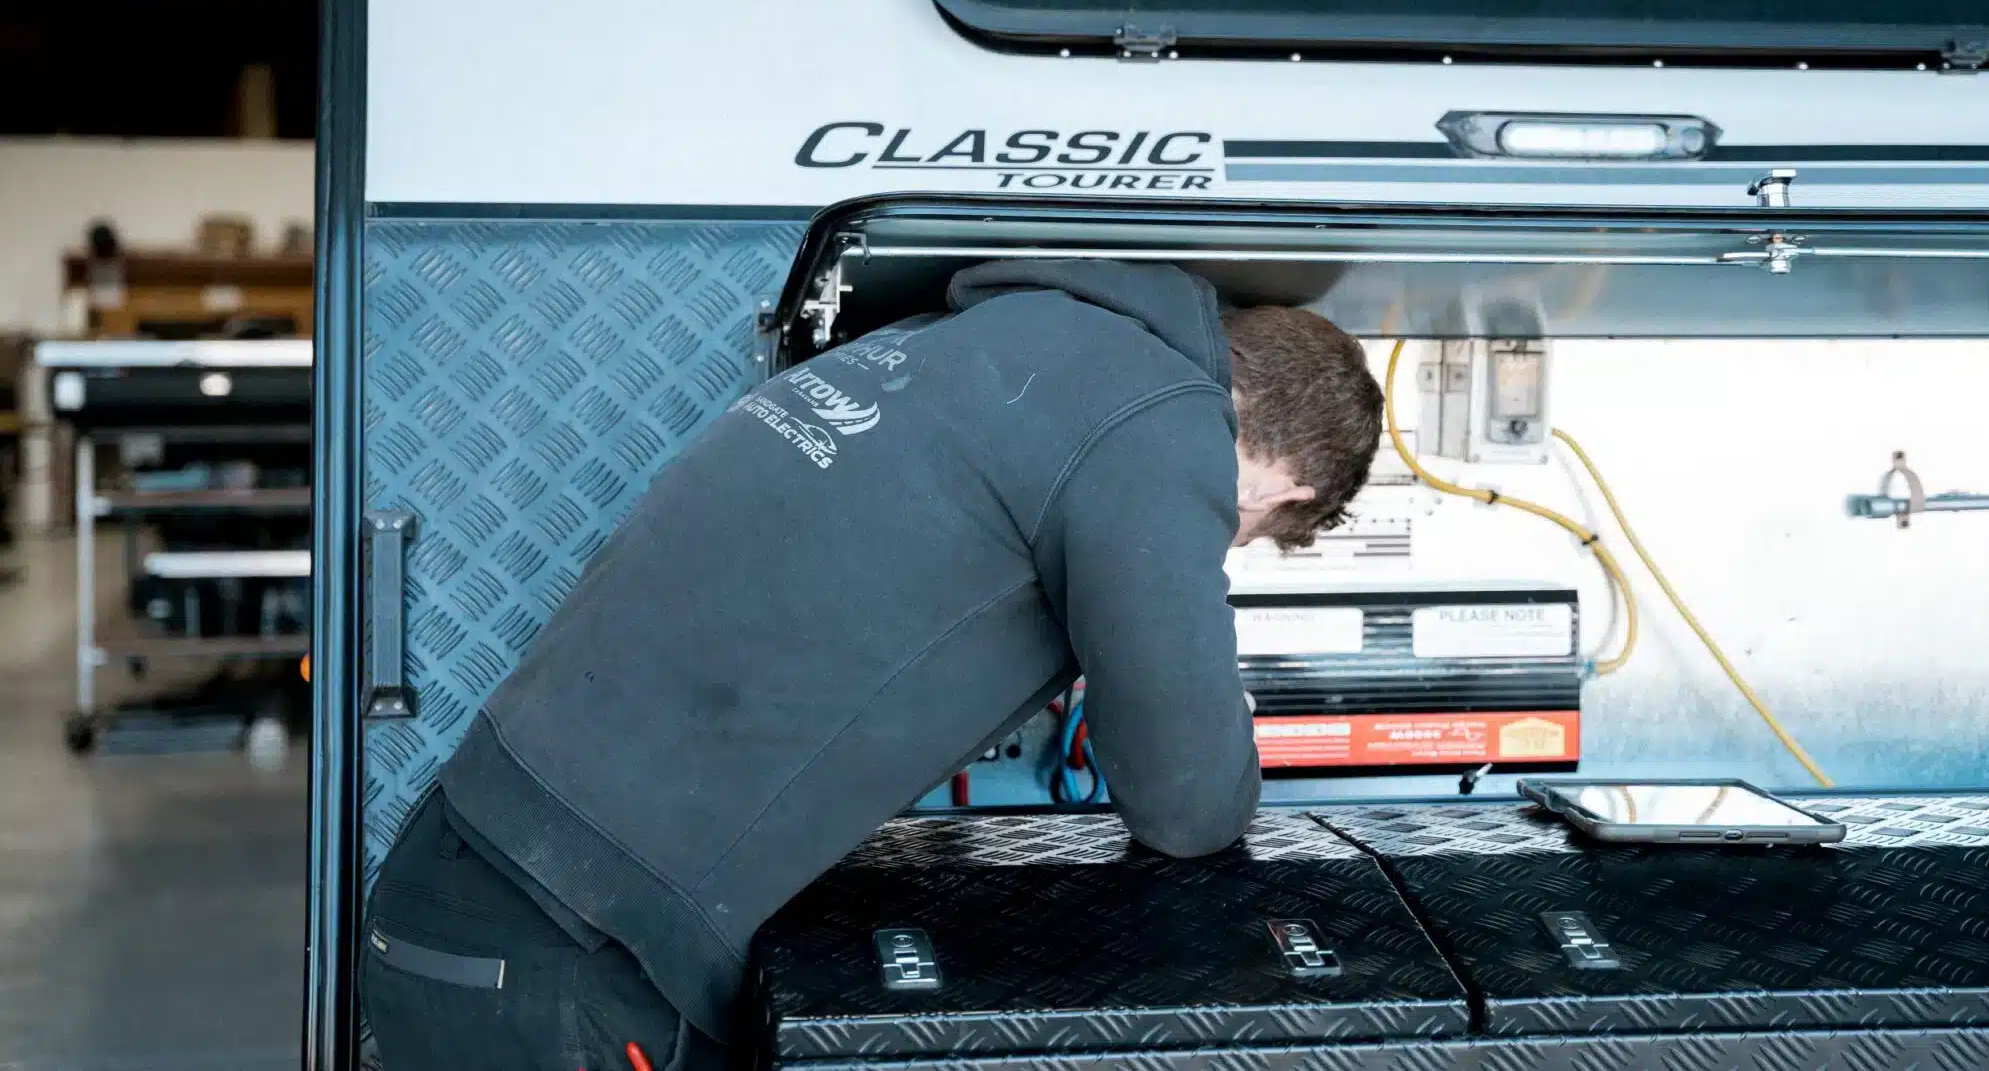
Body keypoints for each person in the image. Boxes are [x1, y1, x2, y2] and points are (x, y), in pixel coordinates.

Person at [362, 259, 1384, 1071]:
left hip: (478, 881)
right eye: (1240, 538)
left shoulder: (995, 335)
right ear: (1285, 486)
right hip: (571, 956)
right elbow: (1190, 804)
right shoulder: (1158, 427)